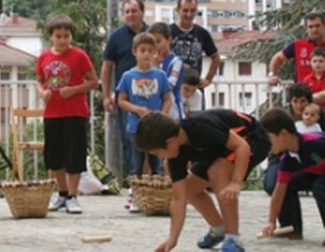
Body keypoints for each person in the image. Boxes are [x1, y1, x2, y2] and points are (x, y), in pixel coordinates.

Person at [135, 110, 270, 252]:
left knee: (217, 171)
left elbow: (241, 147)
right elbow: (178, 198)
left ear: (169, 142)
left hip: (252, 138)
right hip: (219, 149)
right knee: (190, 190)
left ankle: (233, 238)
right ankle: (219, 229)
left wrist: (236, 182)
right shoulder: (176, 155)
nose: (160, 157)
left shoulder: (200, 126)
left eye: (157, 153)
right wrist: (172, 239)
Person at [36, 15, 98, 214]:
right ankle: (61, 193)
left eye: (66, 36)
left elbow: (93, 81)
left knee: (74, 154)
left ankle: (73, 196)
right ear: (51, 37)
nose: (62, 40)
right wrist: (42, 92)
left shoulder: (79, 55)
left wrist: (74, 90)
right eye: (58, 36)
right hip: (52, 113)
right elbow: (39, 80)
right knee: (54, 156)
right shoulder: (44, 57)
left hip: (75, 112)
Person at [116, 32, 173, 213]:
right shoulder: (128, 76)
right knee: (136, 163)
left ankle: (158, 197)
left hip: (156, 128)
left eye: (150, 50)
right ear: (135, 52)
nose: (146, 54)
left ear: (155, 52)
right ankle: (135, 195)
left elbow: (167, 98)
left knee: (157, 162)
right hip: (136, 126)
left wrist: (161, 116)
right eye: (142, 50)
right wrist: (137, 109)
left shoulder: (160, 75)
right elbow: (121, 100)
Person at [260, 108, 325, 242]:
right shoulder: (288, 159)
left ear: (283, 133)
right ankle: (292, 228)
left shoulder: (314, 142)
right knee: (288, 184)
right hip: (317, 172)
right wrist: (271, 221)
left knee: (319, 187)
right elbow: (279, 192)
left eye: (269, 138)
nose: (266, 144)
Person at [101, 0, 149, 178]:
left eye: (134, 11)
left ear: (142, 13)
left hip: (151, 96)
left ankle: (151, 182)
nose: (130, 15)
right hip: (126, 99)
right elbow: (107, 67)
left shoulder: (152, 34)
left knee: (153, 141)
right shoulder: (116, 37)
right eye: (127, 11)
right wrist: (106, 96)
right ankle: (133, 181)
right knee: (130, 140)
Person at [263, 84, 325, 196]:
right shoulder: (283, 118)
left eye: (303, 101)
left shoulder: (320, 117)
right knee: (273, 185)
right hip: (282, 158)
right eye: (295, 101)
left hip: (314, 157)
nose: (299, 106)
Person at [170, 0, 221, 92]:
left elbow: (216, 58)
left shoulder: (202, 33)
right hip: (173, 87)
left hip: (194, 88)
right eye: (185, 10)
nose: (189, 14)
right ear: (177, 10)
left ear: (196, 11)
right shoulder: (168, 32)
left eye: (192, 11)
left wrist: (208, 79)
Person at [268, 11, 325, 85]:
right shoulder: (298, 45)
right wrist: (272, 75)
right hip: (303, 94)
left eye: (317, 26)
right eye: (310, 26)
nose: (314, 29)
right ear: (306, 28)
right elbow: (277, 58)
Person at [149, 22, 185, 119]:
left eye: (158, 41)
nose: (155, 46)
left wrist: (156, 67)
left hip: (172, 113)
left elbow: (169, 86)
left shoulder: (176, 62)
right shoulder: (149, 61)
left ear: (169, 40)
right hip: (154, 110)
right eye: (152, 42)